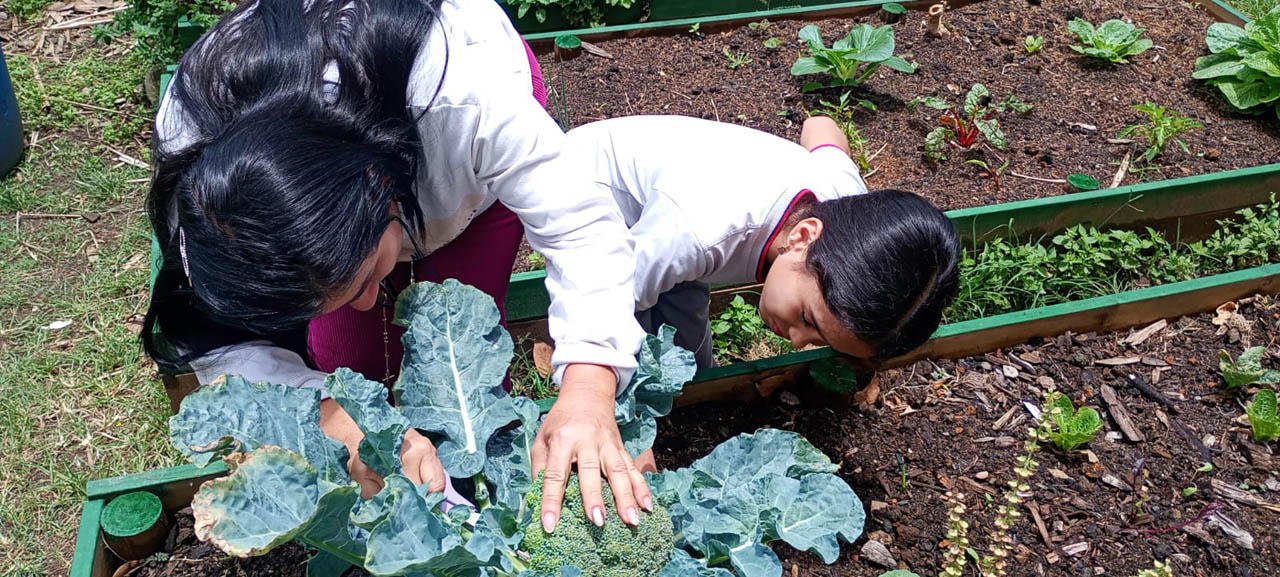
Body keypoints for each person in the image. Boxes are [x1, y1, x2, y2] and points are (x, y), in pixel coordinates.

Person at [145, 0, 651, 532]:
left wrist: (590, 386)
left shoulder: (467, 101)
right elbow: (223, 342)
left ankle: (481, 473)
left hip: (462, 157)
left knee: (464, 346)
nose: (371, 299)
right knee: (350, 358)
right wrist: (332, 417)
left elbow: (581, 228)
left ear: (382, 191)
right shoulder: (197, 164)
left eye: (365, 278)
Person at [566, 114, 962, 373]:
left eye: (822, 340)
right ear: (803, 236)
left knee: (688, 363)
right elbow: (596, 313)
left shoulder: (845, 206)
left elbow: (822, 128)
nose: (797, 340)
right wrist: (626, 425)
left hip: (670, 218)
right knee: (630, 338)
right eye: (809, 319)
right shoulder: (701, 228)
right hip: (588, 196)